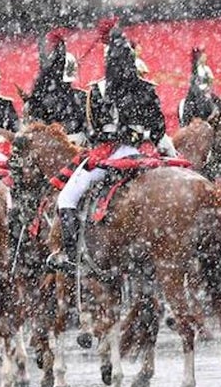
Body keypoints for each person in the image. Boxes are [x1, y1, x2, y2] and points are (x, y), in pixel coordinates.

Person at [47, 23, 167, 272]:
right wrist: (145, 140)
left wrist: (101, 137)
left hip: (111, 152)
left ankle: (72, 257)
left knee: (66, 198)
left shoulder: (97, 91)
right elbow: (159, 128)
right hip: (143, 151)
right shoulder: (147, 87)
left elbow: (93, 131)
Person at [26, 30, 88, 144]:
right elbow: (70, 80)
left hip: (54, 105)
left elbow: (68, 80)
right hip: (64, 106)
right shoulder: (68, 58)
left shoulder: (49, 65)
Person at [179, 46, 215, 126]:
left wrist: (208, 89)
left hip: (206, 91)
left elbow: (211, 81)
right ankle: (186, 120)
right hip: (196, 91)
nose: (205, 59)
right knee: (188, 104)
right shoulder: (196, 69)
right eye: (203, 57)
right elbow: (194, 80)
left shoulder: (207, 69)